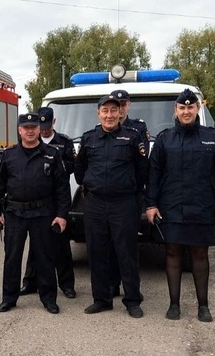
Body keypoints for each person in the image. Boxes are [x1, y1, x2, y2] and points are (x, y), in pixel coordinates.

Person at [145, 88, 215, 322]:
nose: (186, 111)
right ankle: (174, 305)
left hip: (202, 205)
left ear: (197, 109)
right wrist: (151, 204)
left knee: (199, 255)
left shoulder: (212, 137)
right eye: (182, 108)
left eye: (190, 107)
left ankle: (203, 306)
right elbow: (153, 174)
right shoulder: (165, 139)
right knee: (172, 253)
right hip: (171, 205)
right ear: (176, 110)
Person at [74, 94, 148, 318]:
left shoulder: (133, 137)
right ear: (98, 113)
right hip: (95, 203)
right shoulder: (88, 139)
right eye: (105, 111)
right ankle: (102, 299)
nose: (109, 115)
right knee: (96, 252)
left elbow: (142, 170)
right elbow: (80, 171)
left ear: (120, 112)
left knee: (127, 252)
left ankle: (132, 300)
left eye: (113, 111)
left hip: (123, 203)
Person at [0, 113, 71, 314]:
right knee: (12, 257)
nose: (29, 130)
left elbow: (62, 188)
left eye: (33, 127)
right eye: (25, 127)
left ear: (38, 129)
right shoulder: (9, 155)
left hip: (43, 213)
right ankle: (9, 298)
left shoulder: (52, 154)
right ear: (19, 130)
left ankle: (48, 298)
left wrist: (61, 215)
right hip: (15, 213)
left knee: (45, 258)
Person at [20, 106, 77, 298]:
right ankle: (30, 282)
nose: (42, 130)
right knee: (36, 244)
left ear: (53, 122)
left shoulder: (64, 142)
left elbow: (72, 165)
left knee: (61, 243)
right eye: (39, 126)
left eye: (45, 126)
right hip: (37, 200)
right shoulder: (29, 141)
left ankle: (67, 284)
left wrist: (54, 164)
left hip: (57, 198)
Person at [107, 89, 151, 297]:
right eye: (117, 104)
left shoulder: (138, 128)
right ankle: (112, 285)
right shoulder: (103, 130)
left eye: (123, 104)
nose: (120, 108)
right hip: (108, 199)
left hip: (129, 195)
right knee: (109, 245)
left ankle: (132, 291)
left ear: (128, 105)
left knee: (127, 245)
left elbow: (142, 163)